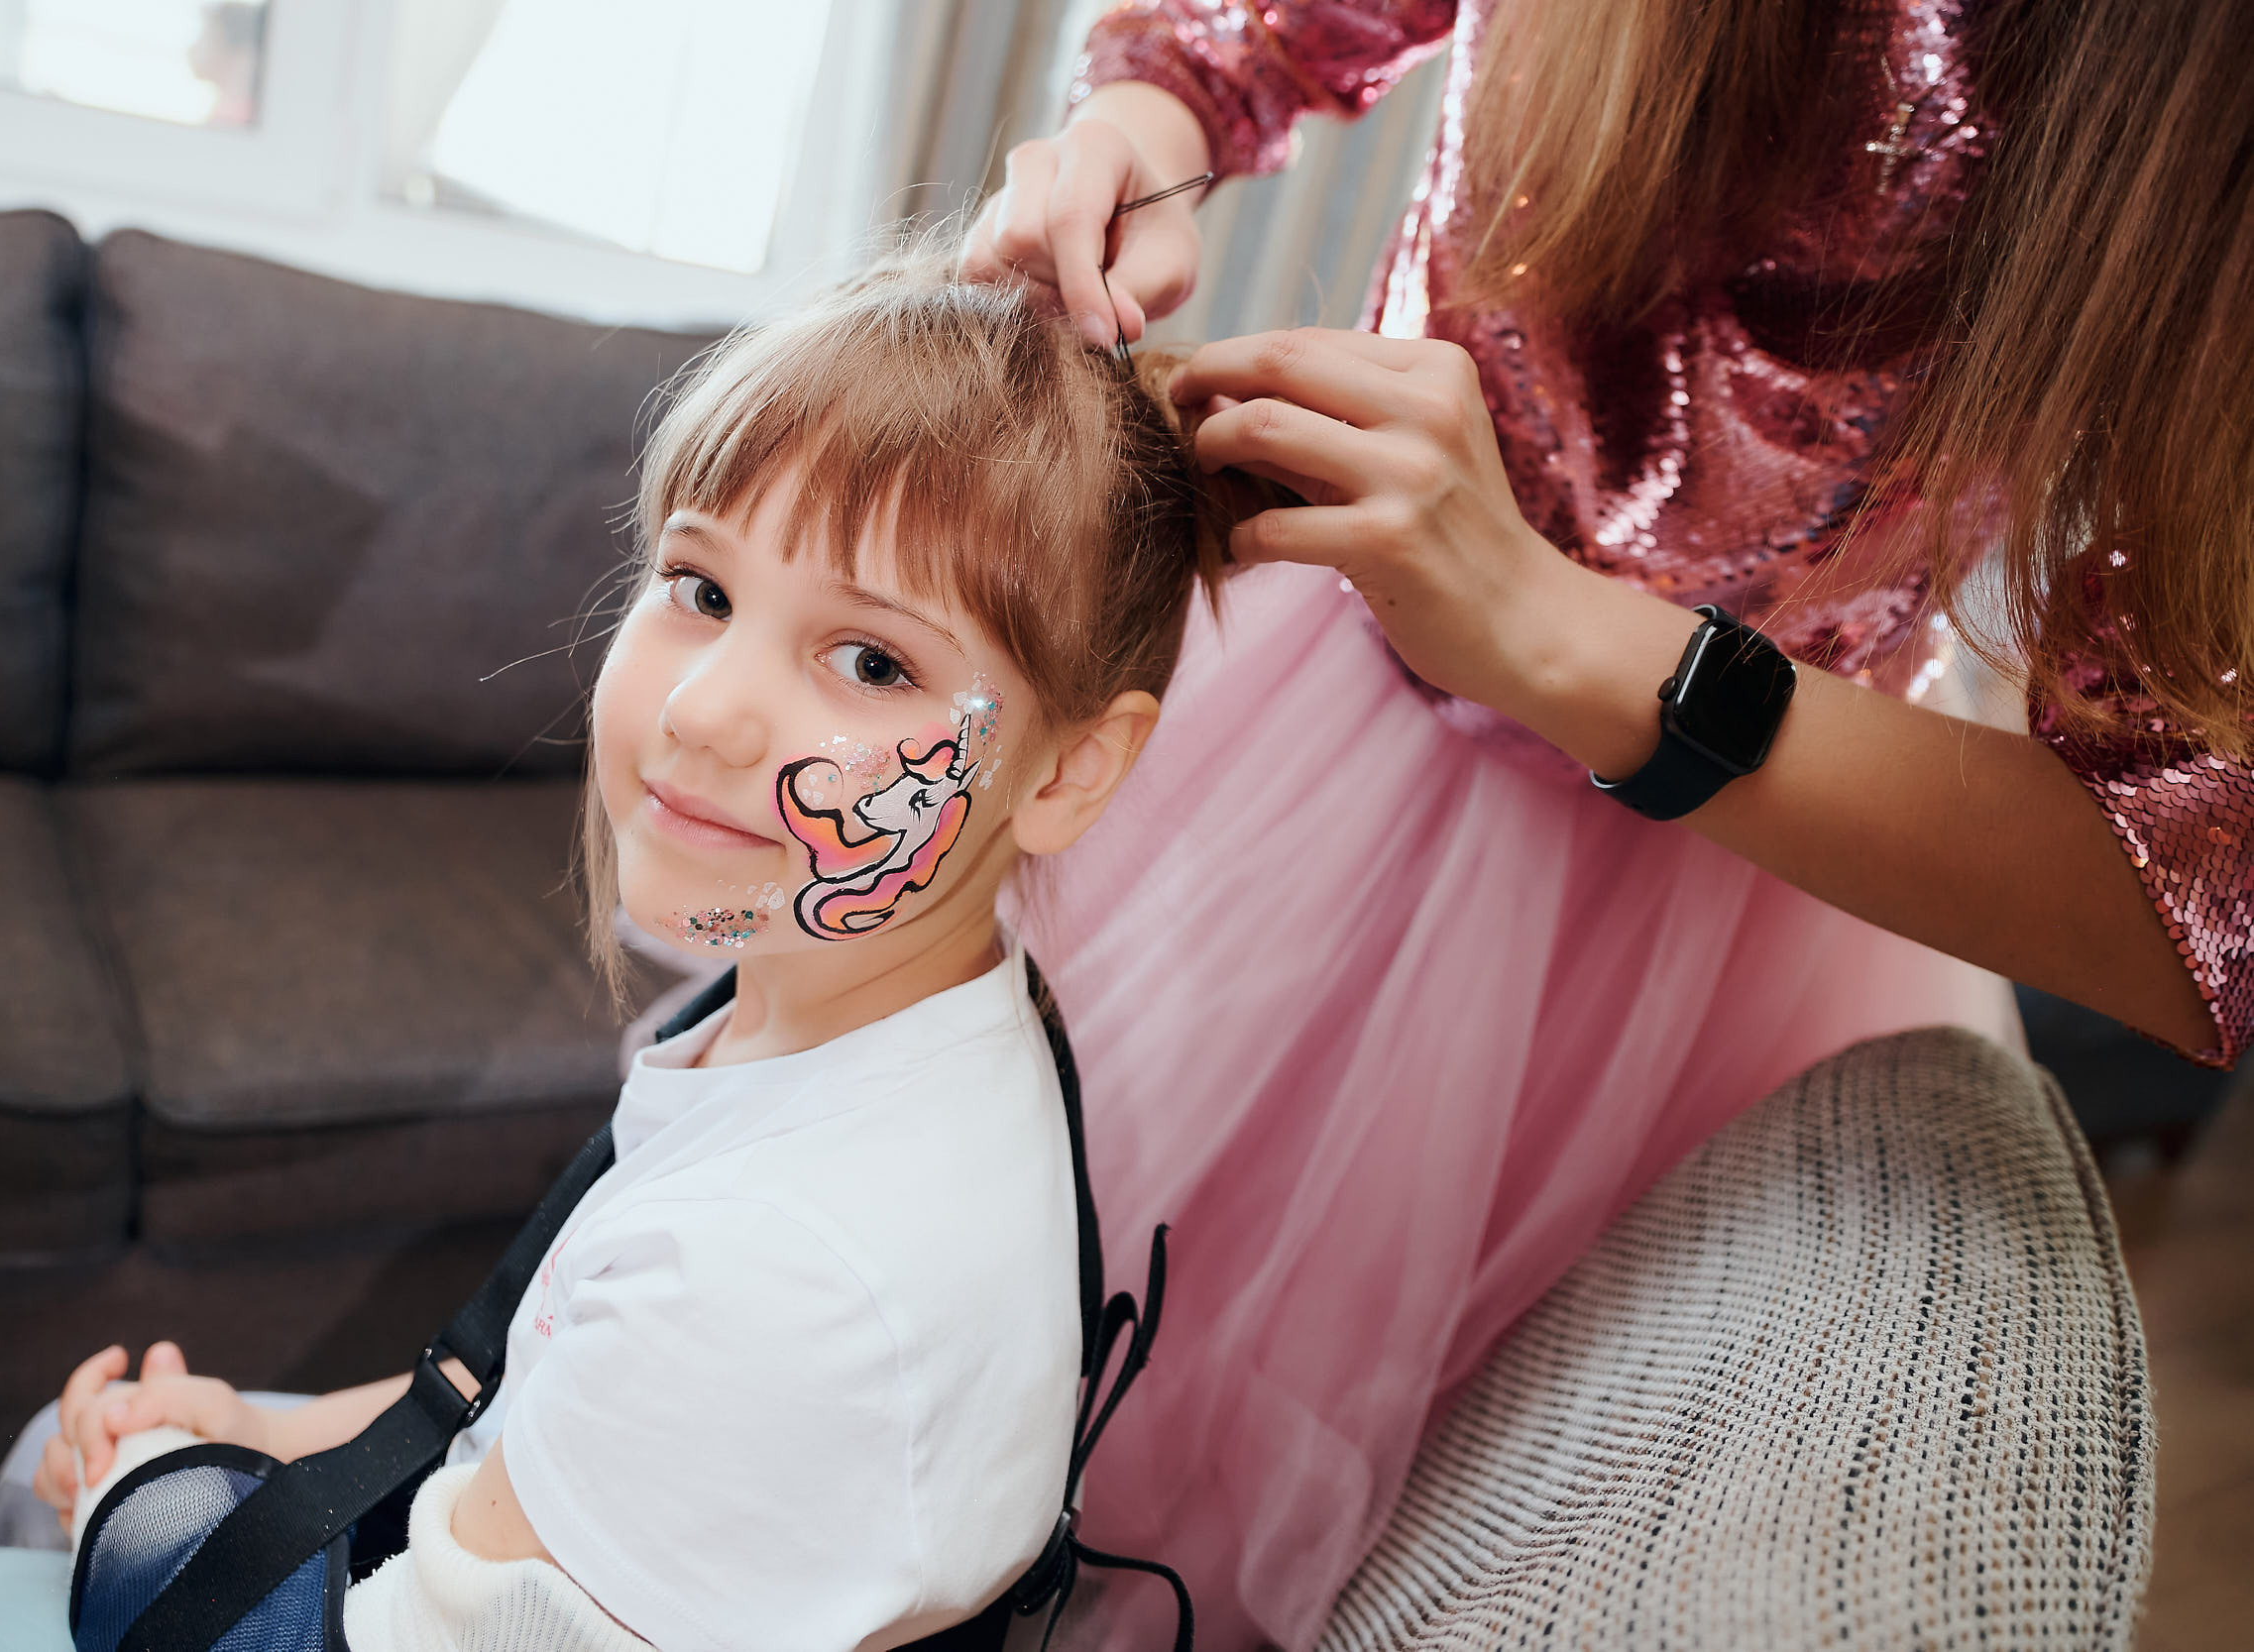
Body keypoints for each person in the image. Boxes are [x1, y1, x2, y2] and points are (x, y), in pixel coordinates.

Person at [959, 1, 2254, 1646]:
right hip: (1287, 723)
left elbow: (2191, 903)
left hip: (1706, 913)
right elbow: (1244, 37)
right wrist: (1129, 146)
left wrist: (1552, 634)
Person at [0, 255, 1223, 1651]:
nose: (708, 713)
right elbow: (514, 1393)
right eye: (703, 590)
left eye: (873, 662)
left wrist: (130, 1488)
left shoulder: (781, 1281)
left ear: (1071, 771)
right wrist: (254, 1428)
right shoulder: (847, 1004)